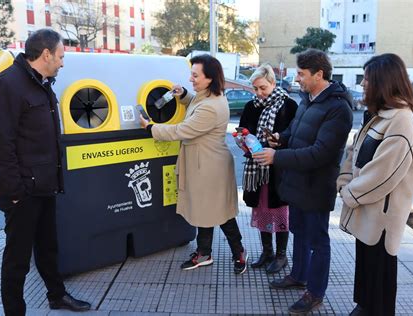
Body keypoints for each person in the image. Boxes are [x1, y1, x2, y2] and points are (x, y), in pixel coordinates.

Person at [0, 29, 91, 315]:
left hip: (44, 185)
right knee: (17, 259)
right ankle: (14, 311)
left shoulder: (42, 83)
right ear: (46, 54)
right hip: (22, 192)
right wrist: (15, 192)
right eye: (60, 56)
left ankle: (57, 296)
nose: (62, 62)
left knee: (48, 247)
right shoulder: (7, 85)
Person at [253, 49, 353, 314]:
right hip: (297, 182)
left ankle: (315, 292)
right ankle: (298, 276)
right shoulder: (308, 98)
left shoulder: (338, 108)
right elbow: (295, 131)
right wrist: (280, 138)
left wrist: (277, 156)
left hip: (317, 186)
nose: (296, 78)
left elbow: (320, 153)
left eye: (301, 74)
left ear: (319, 74)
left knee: (318, 241)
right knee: (298, 232)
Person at [140, 54, 248, 274]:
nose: (191, 79)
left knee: (221, 214)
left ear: (210, 78)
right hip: (205, 164)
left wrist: (150, 128)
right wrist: (183, 95)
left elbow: (183, 130)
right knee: (204, 210)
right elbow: (196, 103)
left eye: (195, 75)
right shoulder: (209, 96)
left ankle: (238, 252)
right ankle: (204, 253)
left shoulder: (211, 106)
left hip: (209, 168)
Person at [336, 53, 413, 316]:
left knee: (379, 284)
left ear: (383, 82)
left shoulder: (401, 120)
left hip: (381, 221)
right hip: (368, 215)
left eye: (367, 78)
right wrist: (344, 180)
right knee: (366, 278)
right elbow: (354, 152)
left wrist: (349, 192)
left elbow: (384, 174)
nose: (363, 83)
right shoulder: (380, 115)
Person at [238, 64, 297, 273]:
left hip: (278, 170)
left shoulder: (289, 106)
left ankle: (281, 256)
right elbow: (243, 130)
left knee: (279, 209)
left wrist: (278, 143)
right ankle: (267, 251)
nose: (259, 93)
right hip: (256, 169)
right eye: (255, 89)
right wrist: (242, 139)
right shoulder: (250, 106)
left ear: (273, 83)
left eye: (263, 87)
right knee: (261, 208)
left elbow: (294, 137)